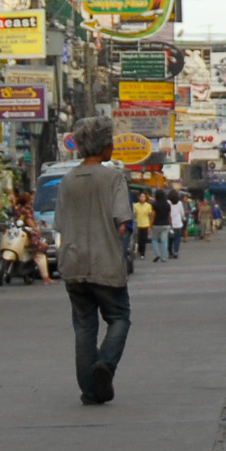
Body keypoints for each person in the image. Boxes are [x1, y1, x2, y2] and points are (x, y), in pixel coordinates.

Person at [57, 119, 136, 405]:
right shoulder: (113, 178)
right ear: (104, 146)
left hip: (73, 262)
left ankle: (90, 390)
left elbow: (60, 223)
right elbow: (123, 221)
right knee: (119, 318)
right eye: (111, 143)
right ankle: (105, 364)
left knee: (84, 326)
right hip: (105, 263)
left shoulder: (66, 180)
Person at [149, 189, 174, 261]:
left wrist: (150, 225)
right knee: (164, 241)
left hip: (156, 224)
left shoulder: (154, 204)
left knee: (154, 240)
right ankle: (163, 257)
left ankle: (157, 254)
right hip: (166, 224)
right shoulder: (167, 204)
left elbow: (153, 215)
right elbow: (169, 215)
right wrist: (171, 223)